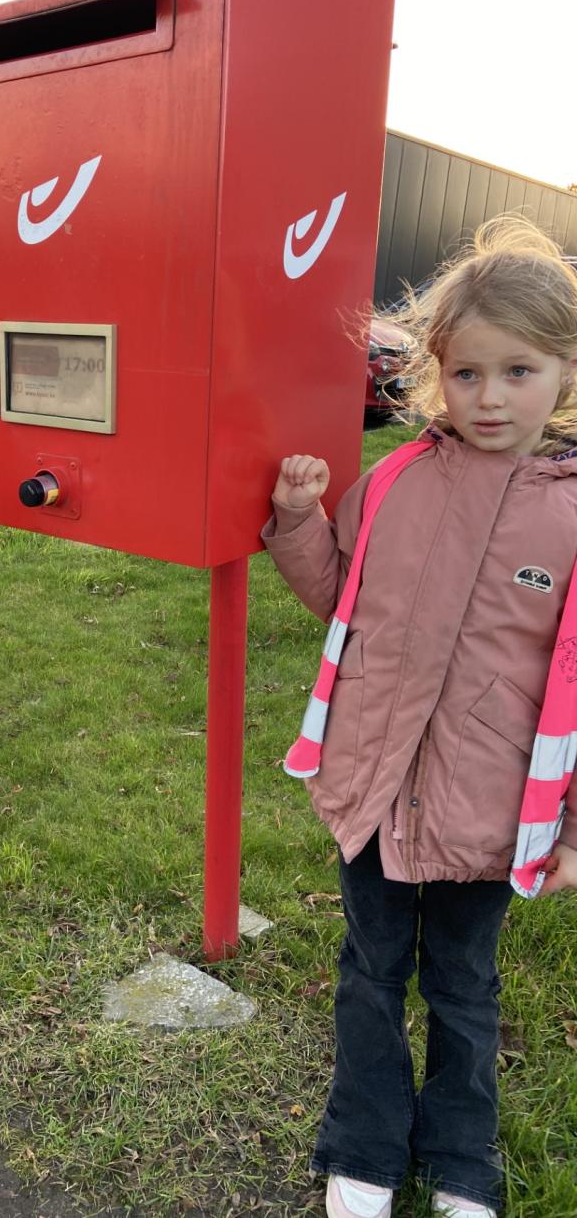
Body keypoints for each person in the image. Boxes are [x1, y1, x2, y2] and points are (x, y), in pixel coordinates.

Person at [262, 216, 577, 1218]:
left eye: (518, 372)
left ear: (564, 371)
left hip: (487, 815)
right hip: (371, 790)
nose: (491, 398)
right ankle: (360, 1144)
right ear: (437, 371)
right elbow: (339, 600)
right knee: (368, 973)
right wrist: (301, 521)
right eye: (470, 373)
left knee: (462, 988)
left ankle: (460, 1160)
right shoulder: (392, 483)